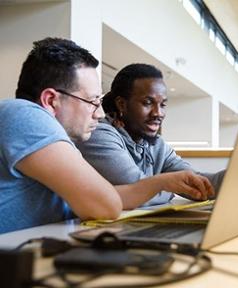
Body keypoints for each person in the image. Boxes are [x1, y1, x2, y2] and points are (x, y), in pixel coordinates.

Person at [0, 39, 214, 234]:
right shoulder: (23, 114)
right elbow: (105, 205)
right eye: (93, 101)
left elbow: (115, 196)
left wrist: (162, 182)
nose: (100, 113)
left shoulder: (55, 138)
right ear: (51, 100)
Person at [77, 63, 225, 206]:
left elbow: (198, 183)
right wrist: (172, 188)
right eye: (147, 103)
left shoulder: (155, 143)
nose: (158, 113)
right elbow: (135, 191)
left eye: (163, 105)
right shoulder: (98, 134)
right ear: (122, 104)